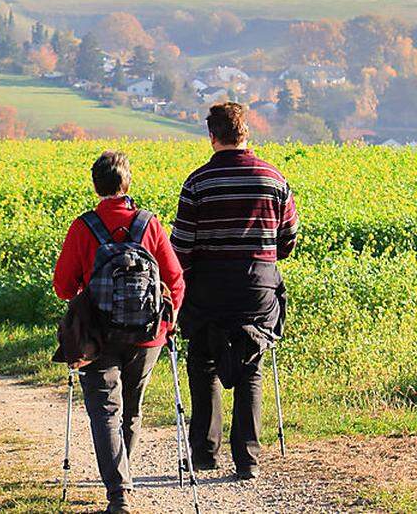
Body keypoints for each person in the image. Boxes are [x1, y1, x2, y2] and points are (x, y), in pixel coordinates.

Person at [171, 102, 299, 480]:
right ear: (247, 133)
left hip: (208, 287)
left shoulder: (197, 182)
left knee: (204, 364)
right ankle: (248, 460)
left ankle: (204, 454)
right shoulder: (274, 179)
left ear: (212, 137)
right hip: (257, 286)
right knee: (251, 366)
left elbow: (181, 246)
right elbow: (288, 239)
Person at [54, 151, 186, 514]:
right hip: (147, 335)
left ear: (96, 185)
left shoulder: (83, 227)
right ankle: (124, 478)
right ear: (127, 183)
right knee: (131, 408)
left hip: (96, 337)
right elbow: (175, 279)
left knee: (104, 411)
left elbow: (63, 286)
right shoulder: (150, 225)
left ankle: (119, 492)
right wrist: (167, 322)